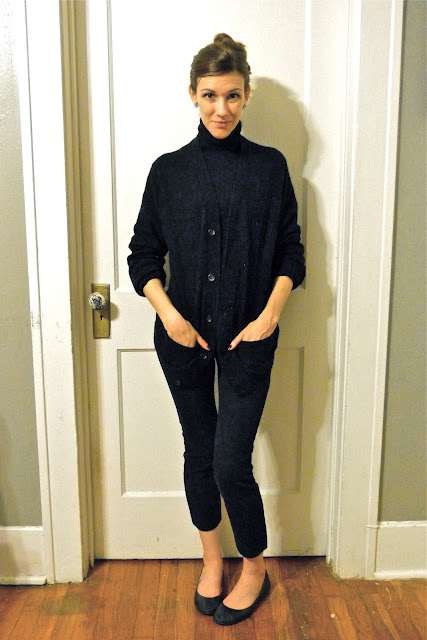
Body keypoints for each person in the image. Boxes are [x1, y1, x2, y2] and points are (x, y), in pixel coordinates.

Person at [128, 33, 305, 626]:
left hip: (249, 340)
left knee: (231, 461)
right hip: (182, 340)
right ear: (193, 95)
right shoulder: (168, 171)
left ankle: (253, 565)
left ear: (247, 95)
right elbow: (142, 256)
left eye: (232, 95)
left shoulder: (269, 168)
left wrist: (270, 315)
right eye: (210, 95)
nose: (221, 109)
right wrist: (170, 316)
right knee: (199, 454)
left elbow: (290, 252)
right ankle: (211, 559)